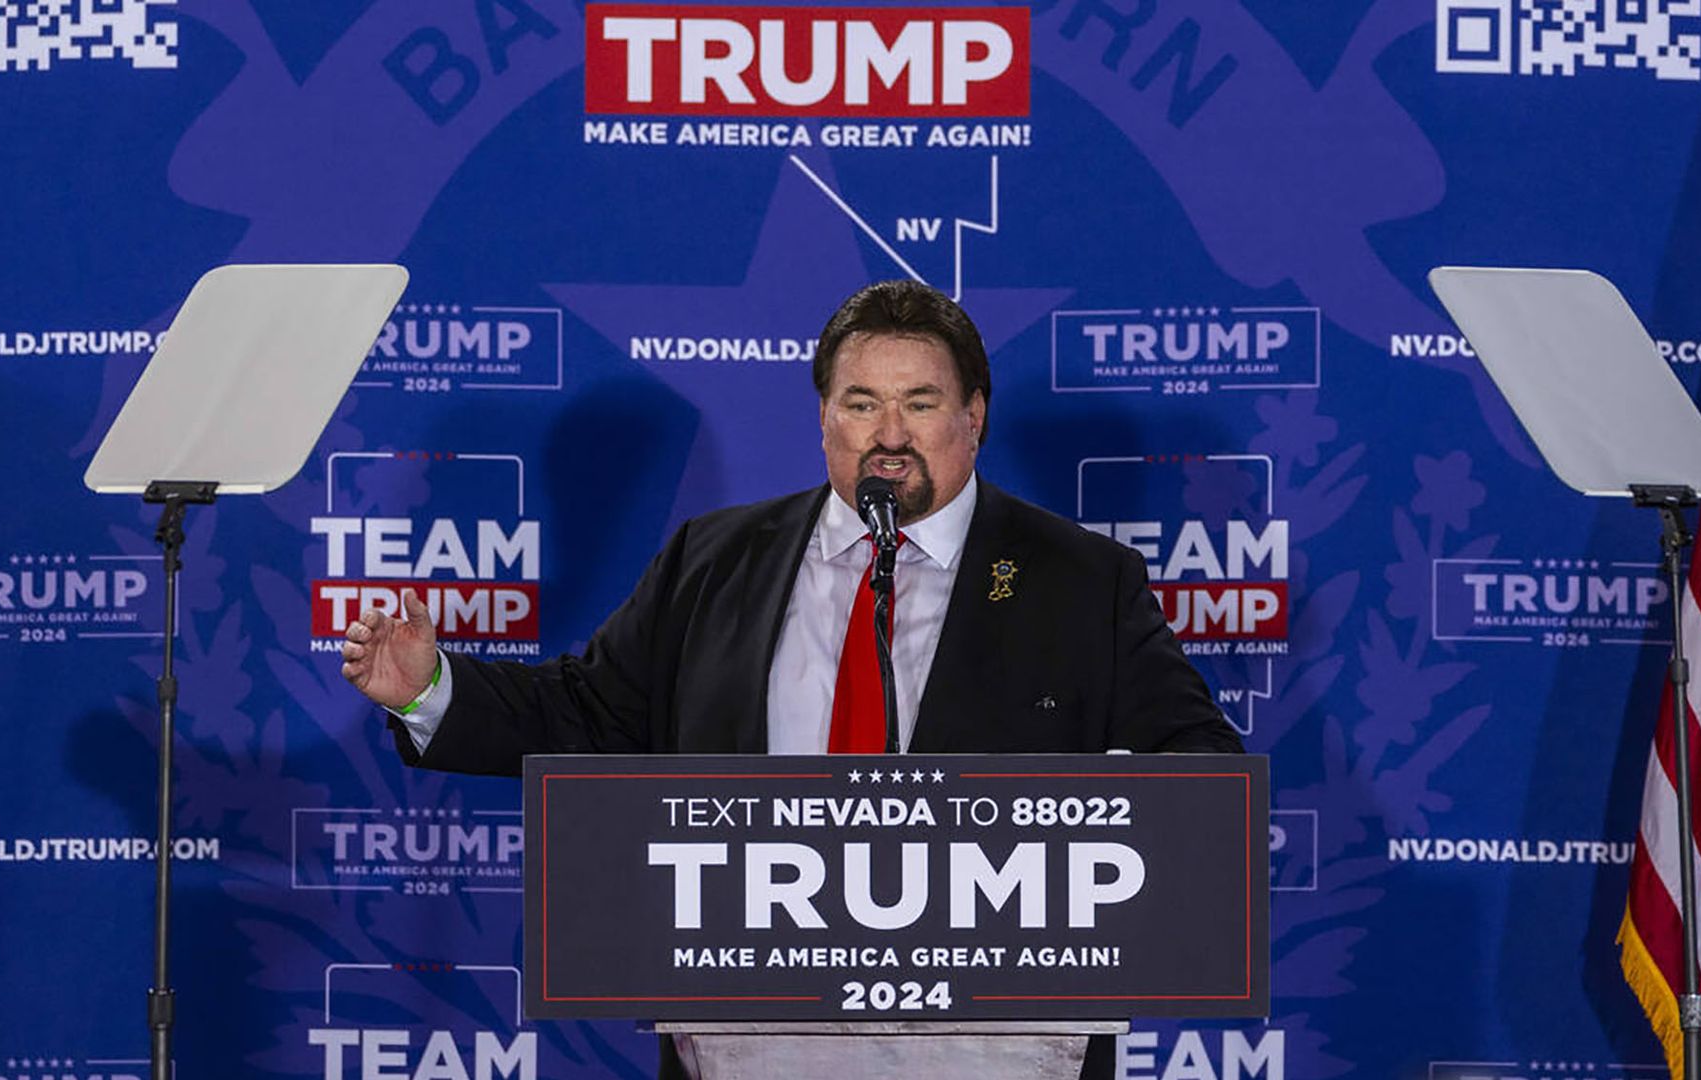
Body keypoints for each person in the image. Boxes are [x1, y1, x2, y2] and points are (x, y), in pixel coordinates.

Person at [339, 279, 1242, 1078]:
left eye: (920, 403)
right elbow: (589, 715)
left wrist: (1102, 807)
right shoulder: (715, 557)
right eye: (860, 404)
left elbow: (1199, 769)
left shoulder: (1081, 579)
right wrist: (431, 688)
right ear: (822, 419)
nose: (889, 436)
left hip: (994, 1039)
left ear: (975, 417)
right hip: (752, 1029)